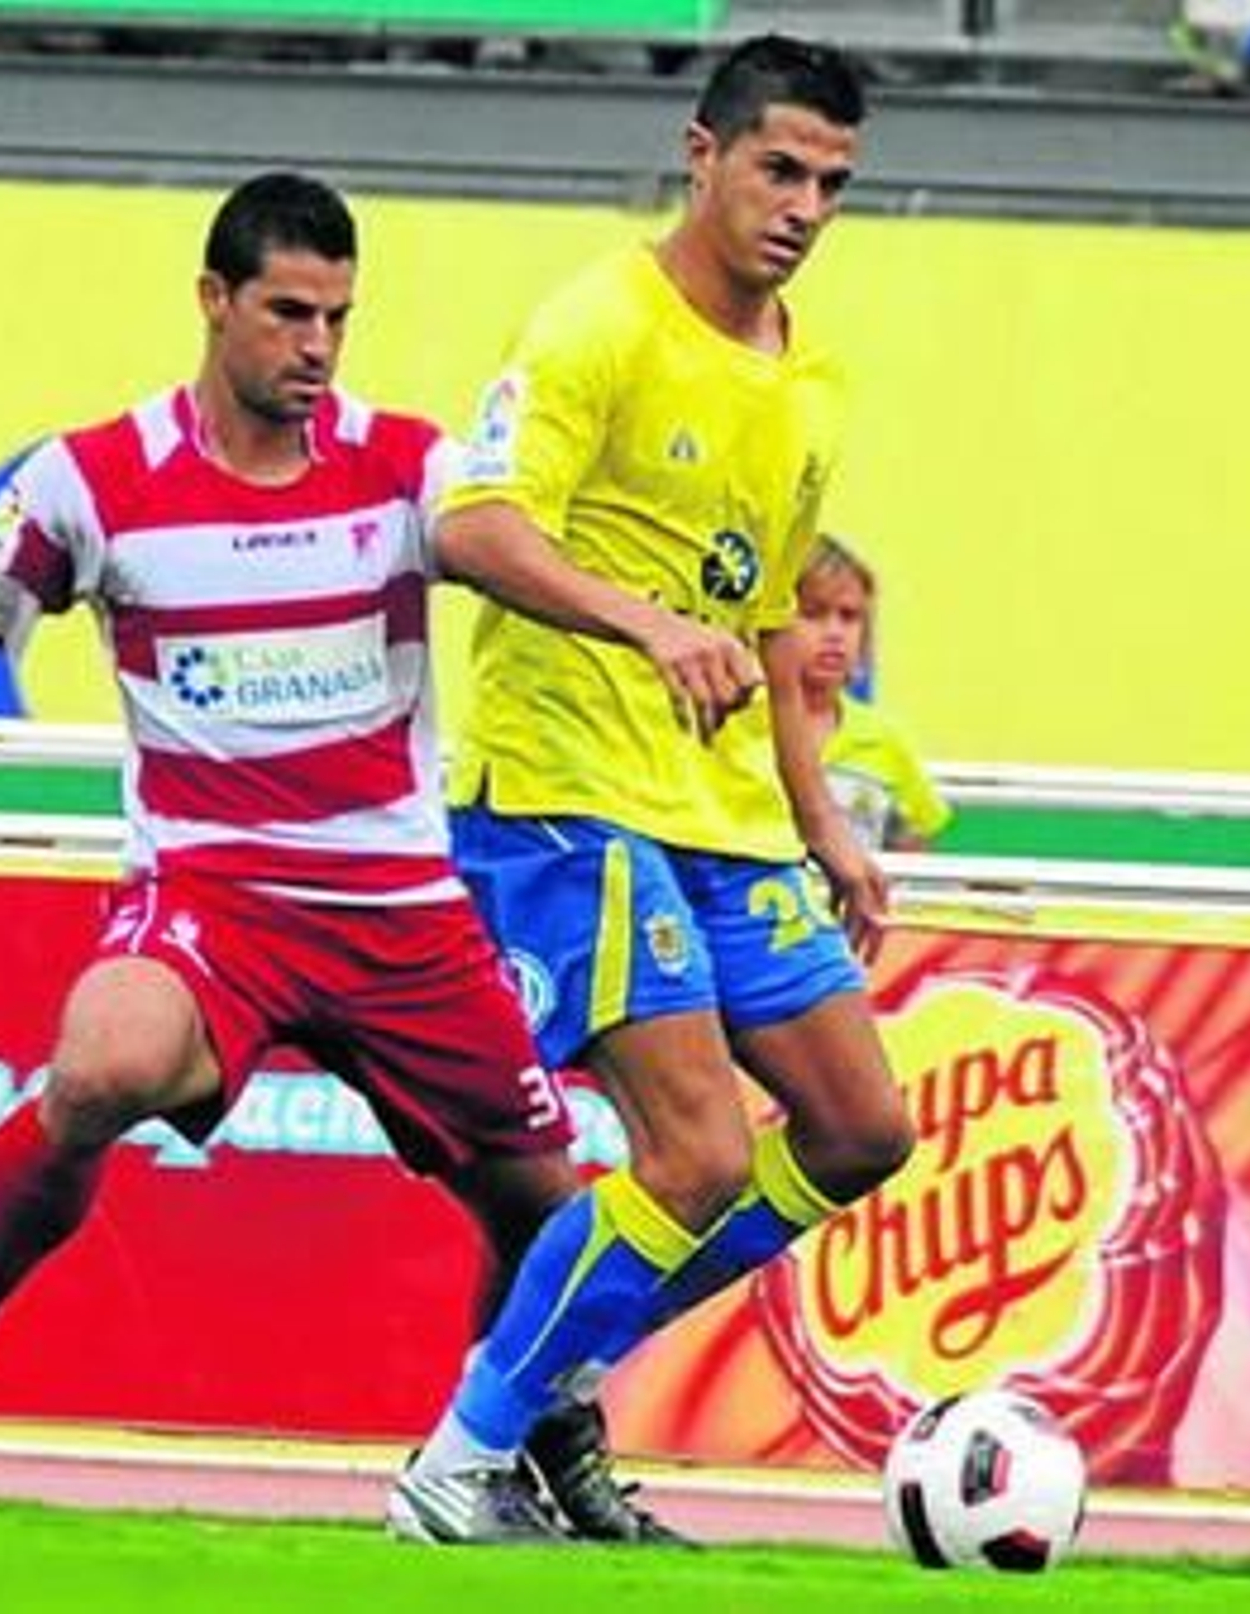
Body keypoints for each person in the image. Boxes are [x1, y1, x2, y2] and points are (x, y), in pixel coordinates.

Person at [0, 171, 668, 1543]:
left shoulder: (407, 466)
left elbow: (498, 539)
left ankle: (528, 1441)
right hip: (215, 895)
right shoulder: (93, 480)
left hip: (399, 908)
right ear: (214, 300)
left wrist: (647, 618)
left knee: (544, 1202)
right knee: (101, 1064)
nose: (317, 346)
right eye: (289, 312)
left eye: (338, 317)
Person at [387, 35, 917, 1545]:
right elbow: (471, 524)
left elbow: (770, 617)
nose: (803, 207)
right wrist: (643, 622)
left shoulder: (809, 379)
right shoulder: (594, 325)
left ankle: (549, 1371)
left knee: (861, 1128)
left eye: (831, 183)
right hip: (568, 793)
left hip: (723, 813)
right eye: (779, 169)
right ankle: (455, 1468)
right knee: (692, 1154)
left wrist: (823, 823)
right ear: (703, 153)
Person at [790, 534, 951, 852]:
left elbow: (917, 844)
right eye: (813, 614)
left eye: (849, 617)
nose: (834, 633)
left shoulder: (883, 740)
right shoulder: (744, 730)